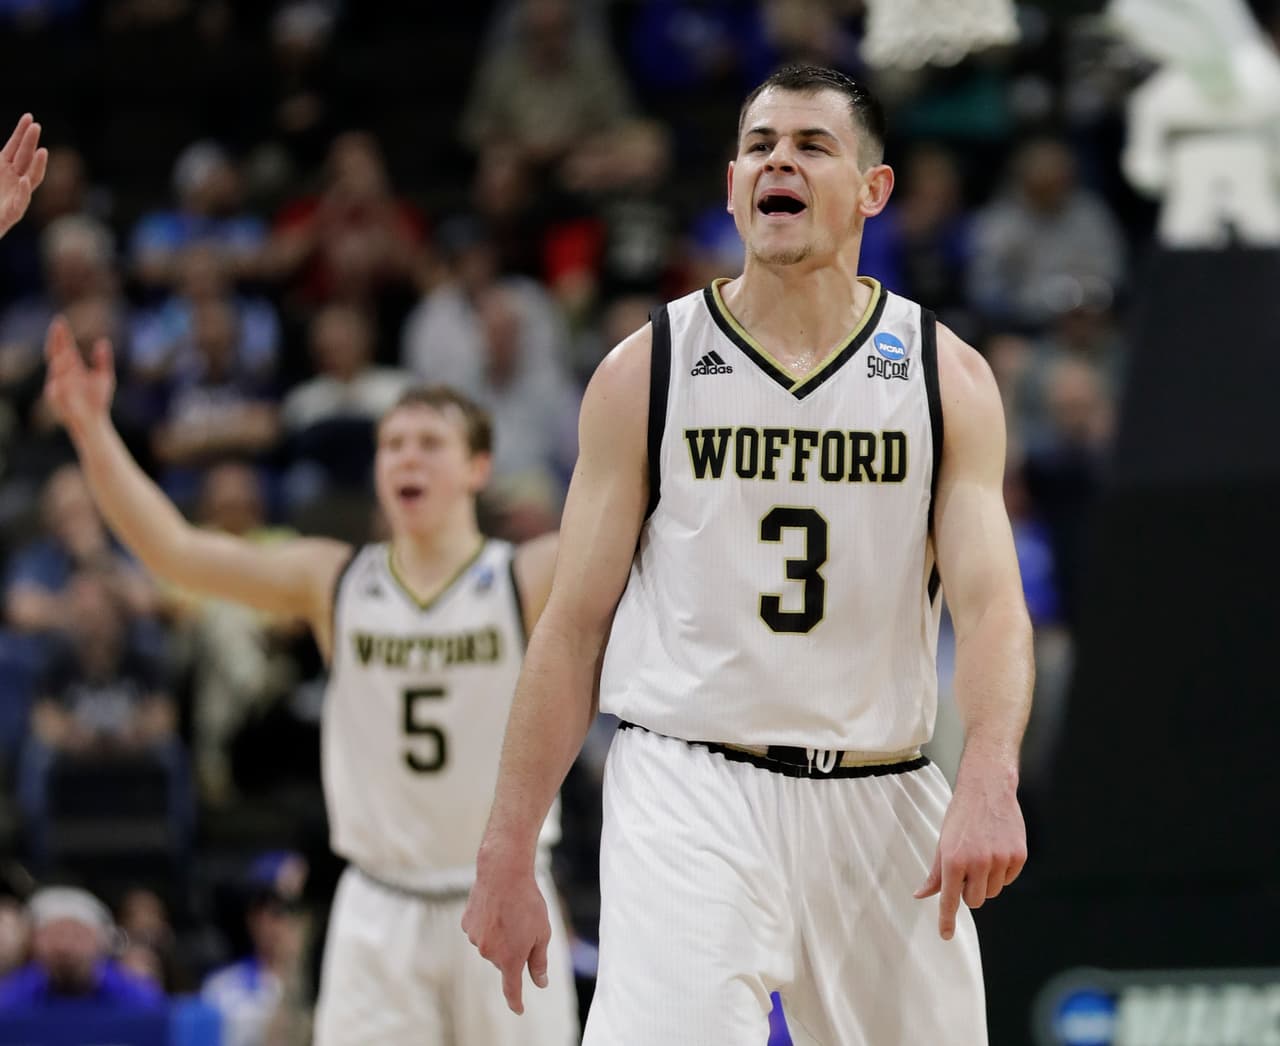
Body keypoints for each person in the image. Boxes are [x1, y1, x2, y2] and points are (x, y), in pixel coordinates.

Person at [464, 64, 1033, 1044]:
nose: (779, 160)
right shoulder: (647, 368)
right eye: (760, 145)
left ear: (870, 189)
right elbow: (569, 628)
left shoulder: (944, 377)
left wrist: (986, 770)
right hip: (690, 781)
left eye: (811, 145)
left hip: (882, 786)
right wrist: (507, 845)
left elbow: (988, 608)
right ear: (731, 185)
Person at [42, 320, 579, 1043]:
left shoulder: (527, 574)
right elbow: (175, 552)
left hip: (506, 890)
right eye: (393, 444)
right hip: (378, 905)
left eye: (429, 444)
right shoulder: (336, 581)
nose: (406, 458)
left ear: (478, 467)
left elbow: (637, 522)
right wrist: (91, 429)